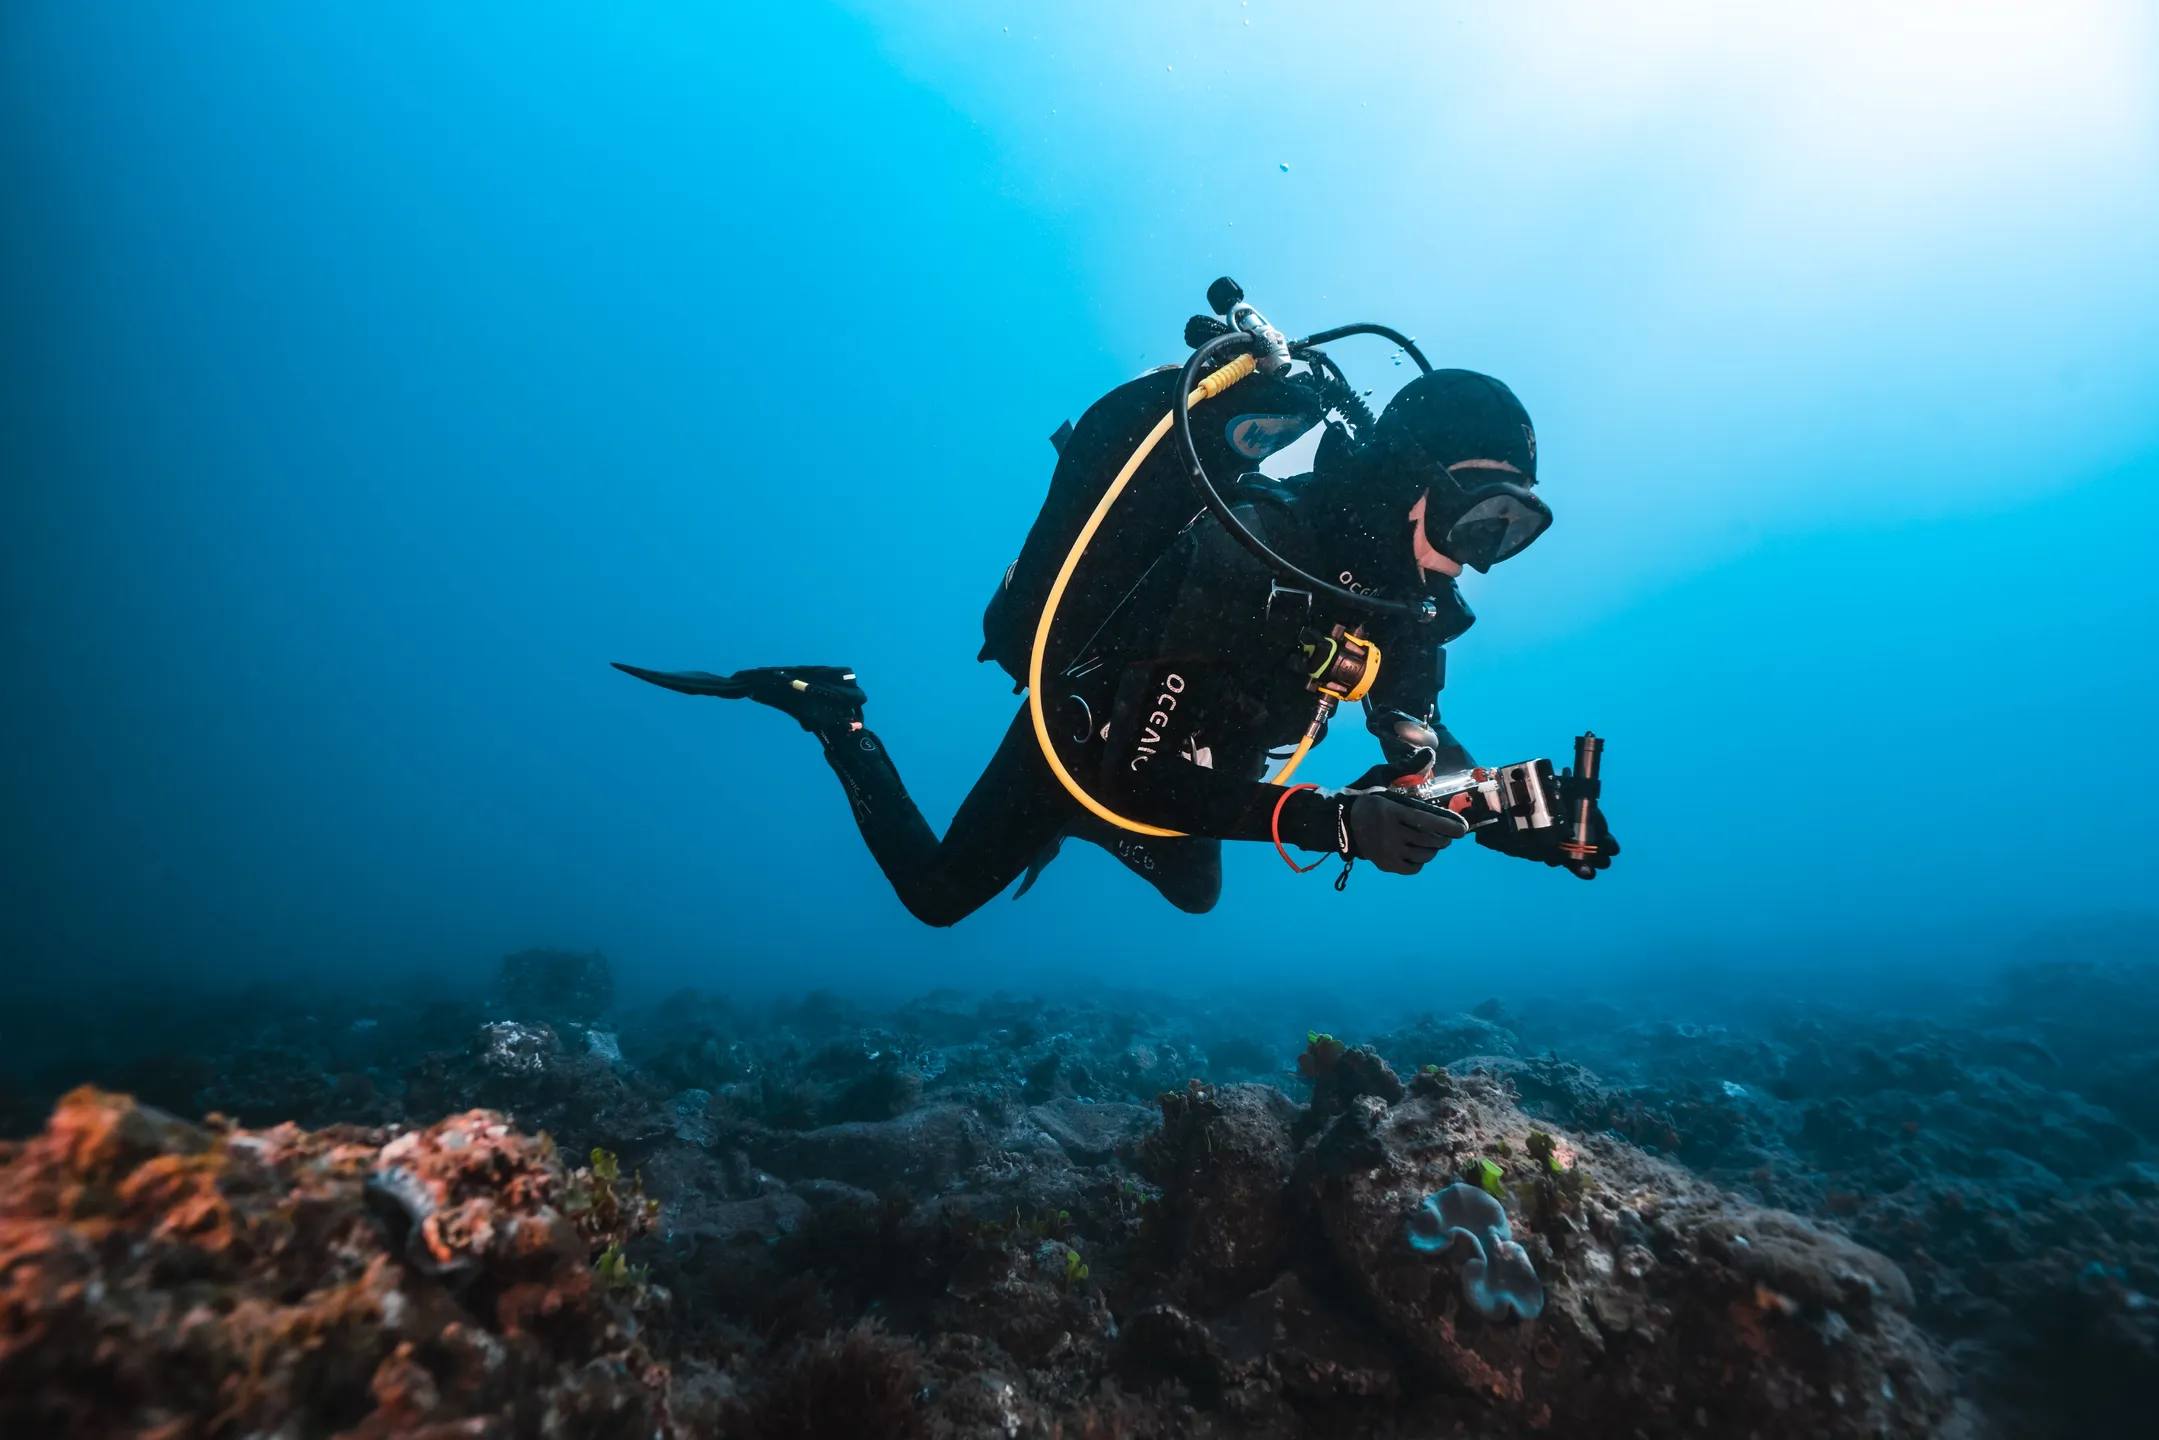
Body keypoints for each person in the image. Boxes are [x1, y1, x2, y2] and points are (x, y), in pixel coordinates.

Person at [617, 359, 1616, 927]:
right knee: (936, 899)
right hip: (1094, 743)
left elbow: (1414, 742)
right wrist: (1334, 824)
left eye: (1506, 533)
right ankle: (833, 715)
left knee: (1195, 890)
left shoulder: (1408, 610)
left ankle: (1086, 826)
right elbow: (1133, 785)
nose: (1474, 560)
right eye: (1468, 520)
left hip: (1195, 760)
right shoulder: (1249, 558)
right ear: (1401, 479)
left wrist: (1500, 807)